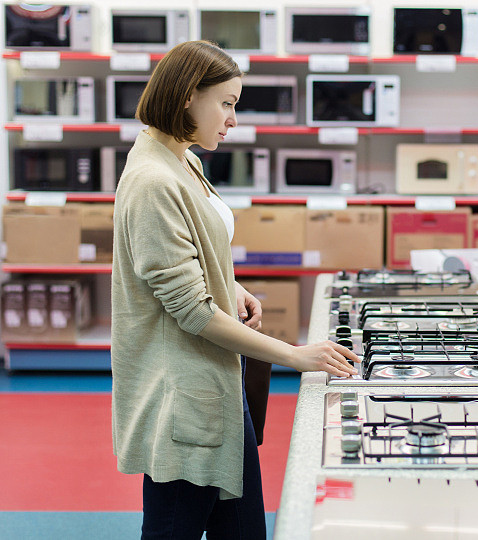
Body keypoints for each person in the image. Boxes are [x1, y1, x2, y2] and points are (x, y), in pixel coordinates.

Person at [110, 40, 359, 540]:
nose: (232, 119)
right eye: (226, 103)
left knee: (244, 531)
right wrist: (296, 355)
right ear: (186, 96)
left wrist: (233, 286)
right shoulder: (155, 181)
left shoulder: (183, 160)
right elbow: (195, 313)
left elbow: (196, 259)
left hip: (218, 385)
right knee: (174, 528)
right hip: (185, 401)